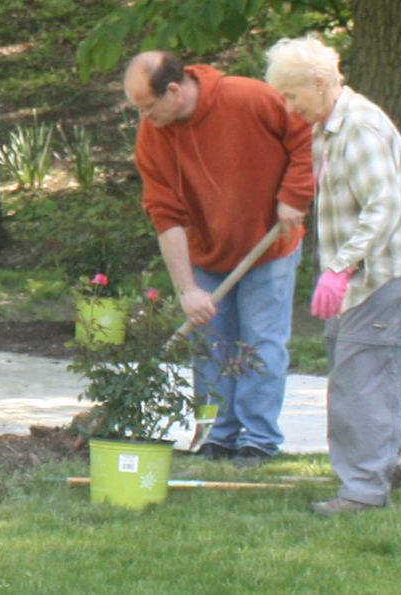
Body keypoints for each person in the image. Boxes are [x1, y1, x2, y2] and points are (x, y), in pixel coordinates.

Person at [265, 36, 401, 514]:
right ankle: (393, 461)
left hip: (383, 273)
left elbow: (384, 207)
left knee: (359, 384)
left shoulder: (359, 128)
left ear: (320, 84)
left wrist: (341, 266)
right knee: (362, 373)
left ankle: (361, 490)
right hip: (359, 278)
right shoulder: (327, 127)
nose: (289, 106)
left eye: (293, 95)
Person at [124, 51, 314, 468]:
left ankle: (258, 440)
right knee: (210, 345)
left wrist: (294, 197)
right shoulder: (153, 134)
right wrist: (187, 288)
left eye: (147, 106)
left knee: (260, 343)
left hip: (269, 245)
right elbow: (164, 214)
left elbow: (305, 136)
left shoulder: (247, 97)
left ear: (173, 90)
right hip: (206, 251)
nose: (144, 117)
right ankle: (216, 436)